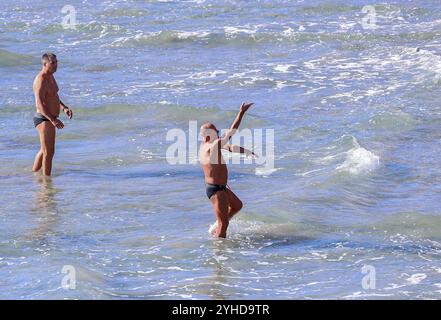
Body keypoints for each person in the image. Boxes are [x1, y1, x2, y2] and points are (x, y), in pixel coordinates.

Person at [199, 102, 257, 238]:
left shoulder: (206, 145)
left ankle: (217, 226)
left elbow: (229, 146)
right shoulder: (212, 145)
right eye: (216, 132)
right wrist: (241, 112)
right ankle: (219, 251)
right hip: (216, 190)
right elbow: (231, 132)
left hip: (220, 187)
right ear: (208, 136)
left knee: (237, 205)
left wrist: (246, 151)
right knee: (224, 225)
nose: (218, 134)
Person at [32, 53, 73, 176]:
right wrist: (53, 120)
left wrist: (64, 108)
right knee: (49, 152)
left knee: (44, 150)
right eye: (52, 63)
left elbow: (54, 97)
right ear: (45, 64)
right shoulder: (41, 79)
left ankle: (34, 173)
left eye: (56, 62)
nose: (56, 65)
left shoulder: (51, 76)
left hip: (50, 118)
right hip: (44, 118)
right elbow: (40, 104)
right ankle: (46, 184)